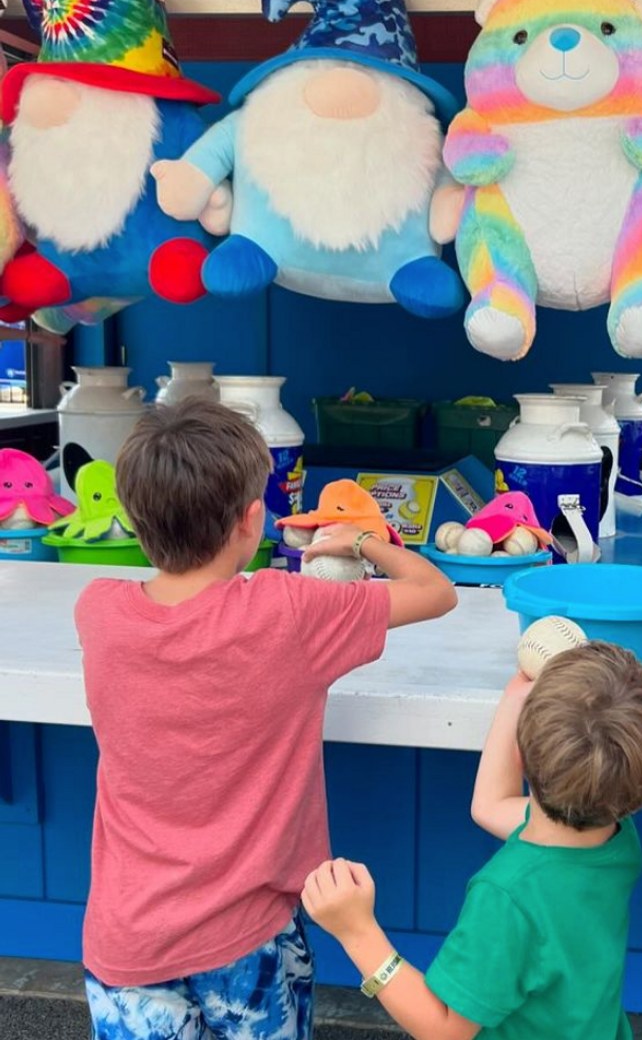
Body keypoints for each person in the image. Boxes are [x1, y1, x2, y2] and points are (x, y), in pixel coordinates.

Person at [77, 398, 456, 1040]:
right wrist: (361, 539)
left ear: (135, 519)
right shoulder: (289, 612)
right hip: (247, 934)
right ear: (253, 520)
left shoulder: (100, 612)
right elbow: (435, 591)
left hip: (125, 936)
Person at [303, 642, 642, 1040]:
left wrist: (357, 932)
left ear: (520, 751)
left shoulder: (509, 896)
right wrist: (514, 699)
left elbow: (444, 1029)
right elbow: (491, 805)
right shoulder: (616, 837)